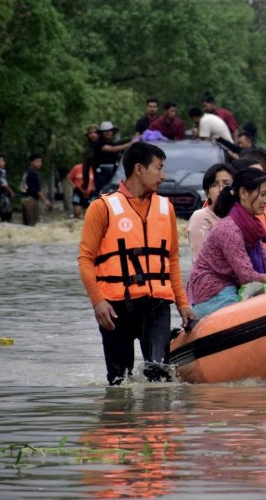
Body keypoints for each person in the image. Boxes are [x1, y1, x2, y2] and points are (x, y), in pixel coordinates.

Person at [77, 142, 195, 385]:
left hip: (156, 306)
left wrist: (182, 304)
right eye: (159, 168)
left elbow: (171, 259)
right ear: (139, 169)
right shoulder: (102, 208)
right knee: (119, 381)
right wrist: (98, 301)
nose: (163, 176)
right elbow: (85, 258)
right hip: (114, 308)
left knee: (159, 378)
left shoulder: (166, 208)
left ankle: (157, 421)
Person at [187, 168, 266, 319]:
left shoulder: (249, 226)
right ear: (244, 193)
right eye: (263, 194)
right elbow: (246, 275)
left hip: (230, 288)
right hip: (212, 293)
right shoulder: (229, 228)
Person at [187, 163, 236, 260]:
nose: (221, 189)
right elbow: (202, 261)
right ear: (207, 193)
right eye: (215, 185)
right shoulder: (201, 218)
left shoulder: (241, 217)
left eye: (227, 184)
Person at [92, 121, 133, 195]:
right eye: (105, 131)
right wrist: (131, 143)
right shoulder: (98, 144)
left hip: (113, 174)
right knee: (102, 195)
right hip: (102, 175)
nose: (108, 133)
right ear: (101, 133)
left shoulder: (112, 143)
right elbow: (113, 149)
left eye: (109, 131)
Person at [21, 153, 52, 226]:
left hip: (24, 199)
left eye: (40, 162)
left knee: (26, 225)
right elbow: (38, 190)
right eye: (37, 162)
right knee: (32, 224)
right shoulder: (33, 173)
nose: (40, 164)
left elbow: (22, 186)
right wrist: (45, 201)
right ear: (32, 162)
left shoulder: (26, 172)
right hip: (31, 201)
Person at [0, 152, 14, 222]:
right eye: (2, 161)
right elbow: (3, 183)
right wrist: (11, 192)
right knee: (6, 213)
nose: (4, 163)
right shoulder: (1, 171)